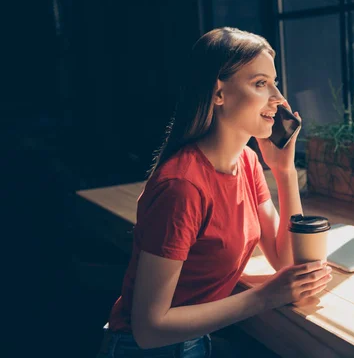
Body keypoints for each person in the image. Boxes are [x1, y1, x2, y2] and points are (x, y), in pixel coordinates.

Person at [96, 27, 333, 357]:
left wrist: (284, 170)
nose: (278, 98)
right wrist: (265, 296)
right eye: (261, 84)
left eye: (275, 83)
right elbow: (149, 328)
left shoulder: (247, 162)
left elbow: (285, 261)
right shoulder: (182, 188)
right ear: (218, 93)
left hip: (195, 340)